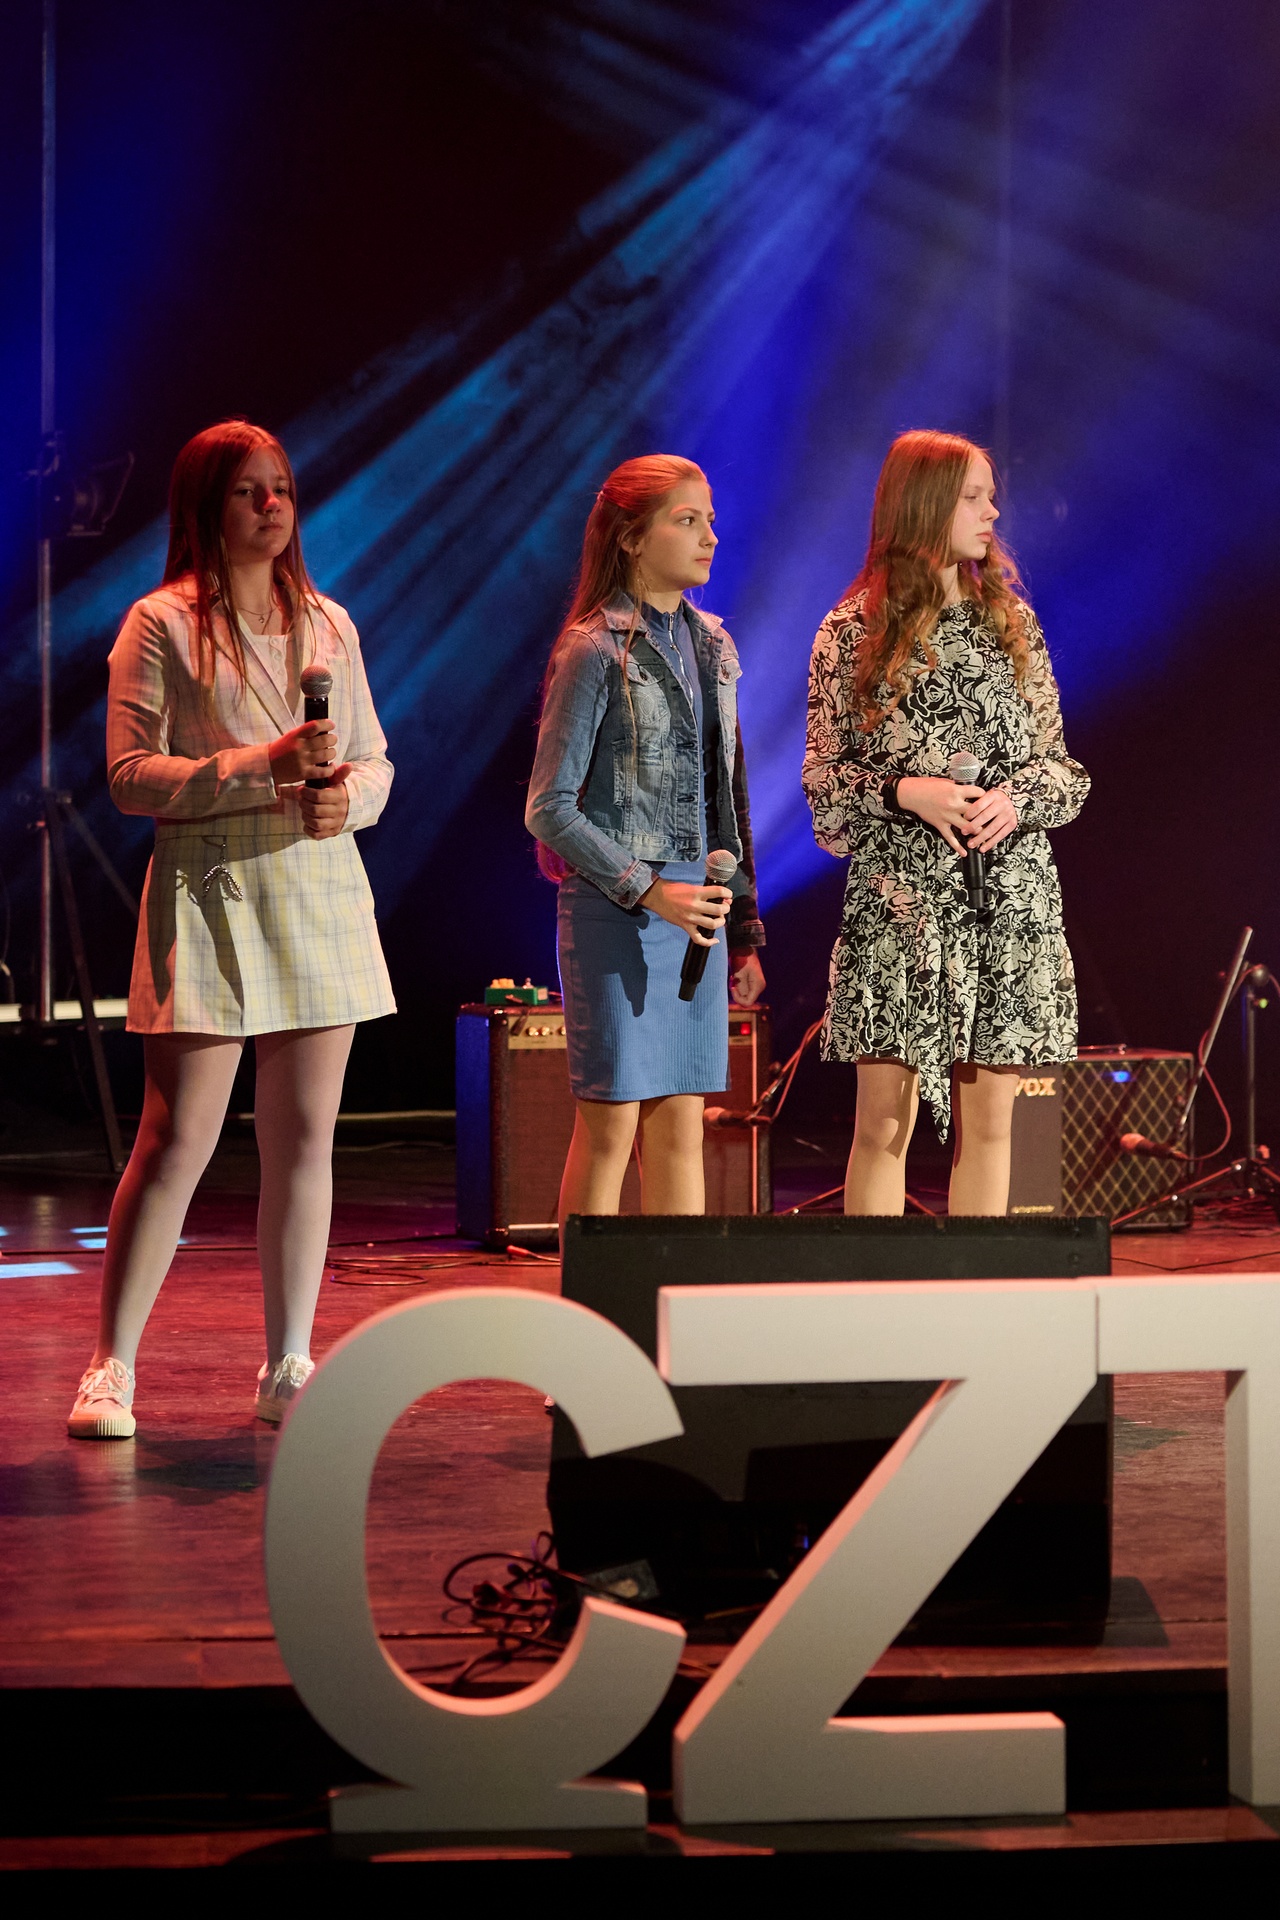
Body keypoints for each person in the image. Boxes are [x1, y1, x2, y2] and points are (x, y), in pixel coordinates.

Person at [67, 419, 395, 1440]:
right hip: (210, 889)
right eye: (249, 490)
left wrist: (348, 800)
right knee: (177, 1139)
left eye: (281, 487)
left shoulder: (328, 625)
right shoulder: (159, 623)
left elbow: (375, 761)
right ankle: (110, 1364)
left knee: (304, 1140)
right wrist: (261, 765)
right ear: (207, 507)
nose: (271, 505)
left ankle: (289, 1361)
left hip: (316, 885)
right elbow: (129, 776)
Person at [802, 429, 1088, 1217]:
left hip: (1008, 903)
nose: (992, 512)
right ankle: (875, 1290)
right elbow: (823, 784)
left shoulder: (1013, 625)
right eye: (973, 497)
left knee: (991, 1128)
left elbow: (1063, 772)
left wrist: (1014, 800)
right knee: (882, 1127)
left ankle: (977, 1288)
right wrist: (906, 793)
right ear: (924, 505)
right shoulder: (850, 632)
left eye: (990, 496)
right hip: (903, 909)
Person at [526, 454, 766, 1232]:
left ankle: (671, 1302)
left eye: (710, 521)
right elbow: (548, 808)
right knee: (611, 1129)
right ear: (631, 536)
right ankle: (585, 1306)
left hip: (698, 918)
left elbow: (728, 797)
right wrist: (649, 889)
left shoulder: (715, 647)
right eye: (686, 521)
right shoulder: (593, 649)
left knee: (680, 1132)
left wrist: (743, 930)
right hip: (619, 913)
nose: (710, 537)